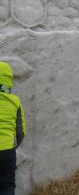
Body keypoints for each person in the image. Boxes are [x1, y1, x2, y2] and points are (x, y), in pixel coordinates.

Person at [0, 61, 26, 195]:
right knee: (7, 185)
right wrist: (14, 146)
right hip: (7, 153)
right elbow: (21, 131)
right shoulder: (15, 101)